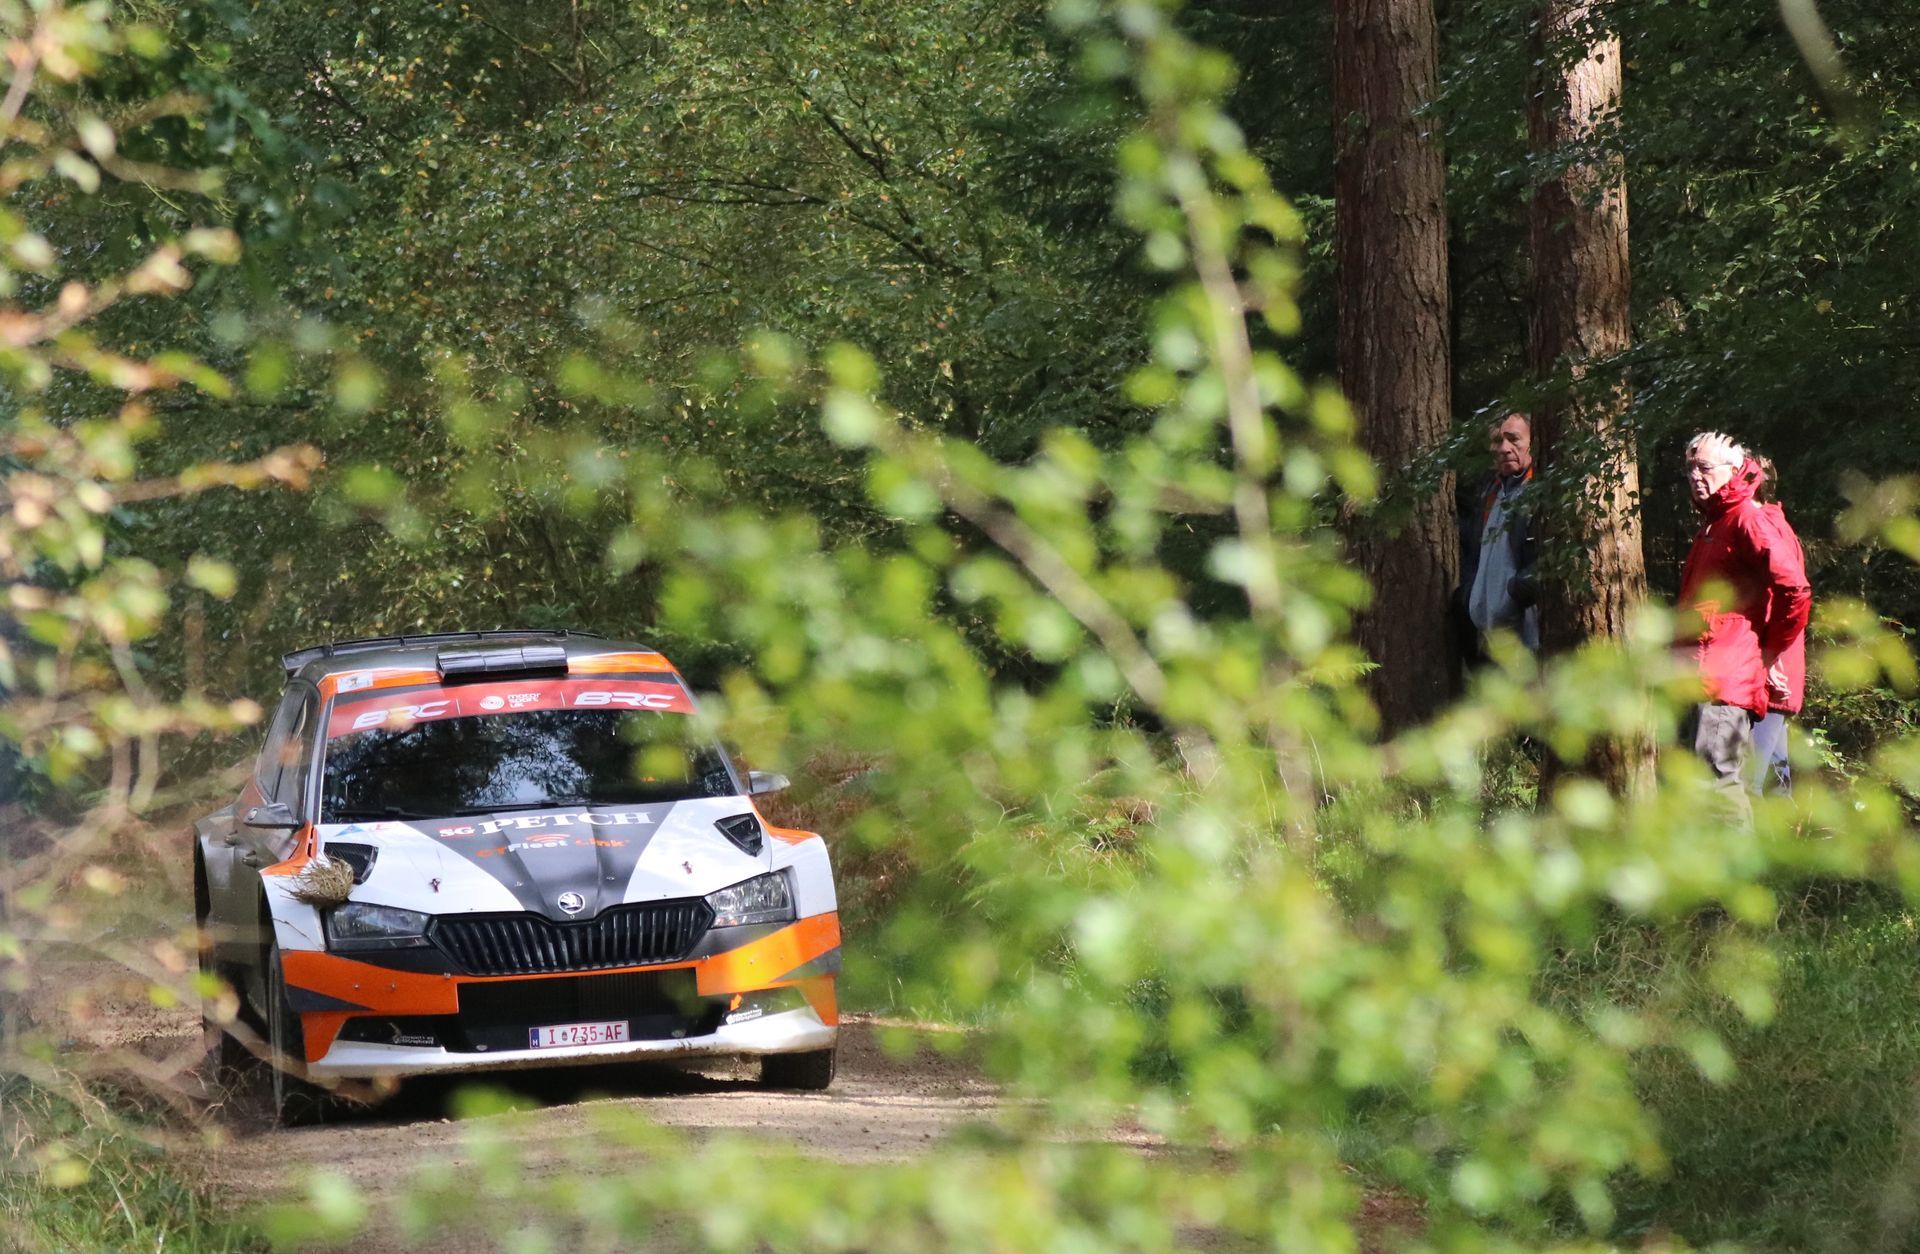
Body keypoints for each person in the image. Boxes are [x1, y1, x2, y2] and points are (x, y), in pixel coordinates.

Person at [1676, 433, 1811, 823]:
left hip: (1725, 678)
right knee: (1704, 785)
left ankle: (1739, 882)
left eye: (1704, 467)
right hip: (1701, 675)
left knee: (1719, 784)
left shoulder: (1748, 520)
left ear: (1733, 471)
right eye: (1690, 467)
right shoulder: (1715, 523)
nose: (1694, 476)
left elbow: (1794, 589)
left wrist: (1771, 654)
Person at [1457, 411, 1540, 660]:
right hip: (1489, 633)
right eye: (1497, 441)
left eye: (1513, 439)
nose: (1504, 448)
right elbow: (1473, 552)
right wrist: (1471, 597)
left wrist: (1515, 593)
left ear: (1532, 442)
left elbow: (1550, 559)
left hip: (1528, 631)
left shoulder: (1540, 491)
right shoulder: (1490, 493)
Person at [1748, 455, 1804, 795]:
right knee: (1774, 788)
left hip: (1765, 676)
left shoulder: (1760, 527)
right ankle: (1787, 848)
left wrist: (1768, 659)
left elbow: (1782, 597)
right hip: (1772, 671)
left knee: (1742, 787)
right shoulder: (1773, 522)